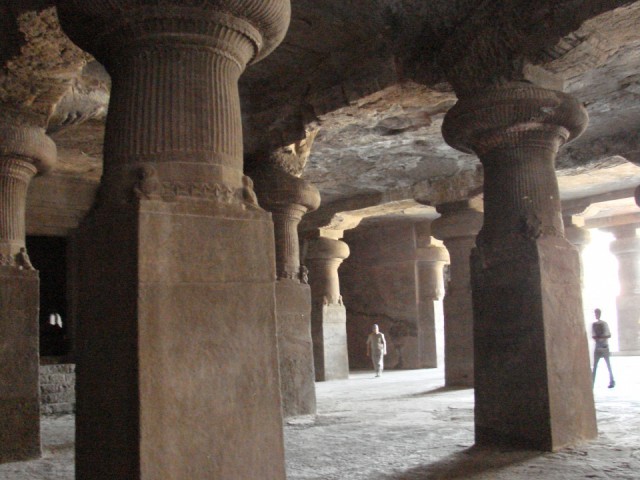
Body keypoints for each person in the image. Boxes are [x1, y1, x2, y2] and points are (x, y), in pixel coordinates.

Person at [591, 308, 615, 388]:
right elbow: (594, 335)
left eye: (597, 314)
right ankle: (592, 383)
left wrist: (600, 338)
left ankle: (612, 380)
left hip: (604, 347)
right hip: (598, 347)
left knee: (608, 365)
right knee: (595, 366)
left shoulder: (604, 324)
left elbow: (608, 335)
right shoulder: (594, 324)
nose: (596, 315)